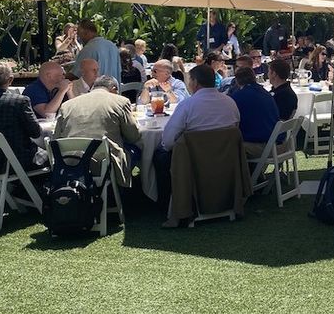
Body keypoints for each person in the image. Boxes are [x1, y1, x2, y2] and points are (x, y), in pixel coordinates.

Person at [154, 65, 240, 225]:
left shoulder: (188, 105)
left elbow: (168, 141)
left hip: (192, 165)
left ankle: (165, 206)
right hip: (226, 162)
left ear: (195, 82)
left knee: (160, 155)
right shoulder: (230, 103)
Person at [53, 75, 140, 188]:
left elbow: (55, 139)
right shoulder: (120, 101)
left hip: (68, 162)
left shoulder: (67, 105)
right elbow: (133, 136)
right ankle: (131, 191)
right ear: (114, 89)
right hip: (102, 162)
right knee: (135, 151)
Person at [230, 67, 281, 158]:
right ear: (254, 78)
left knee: (227, 144)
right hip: (275, 142)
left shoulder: (238, 97)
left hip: (261, 145)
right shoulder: (265, 93)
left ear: (237, 81)